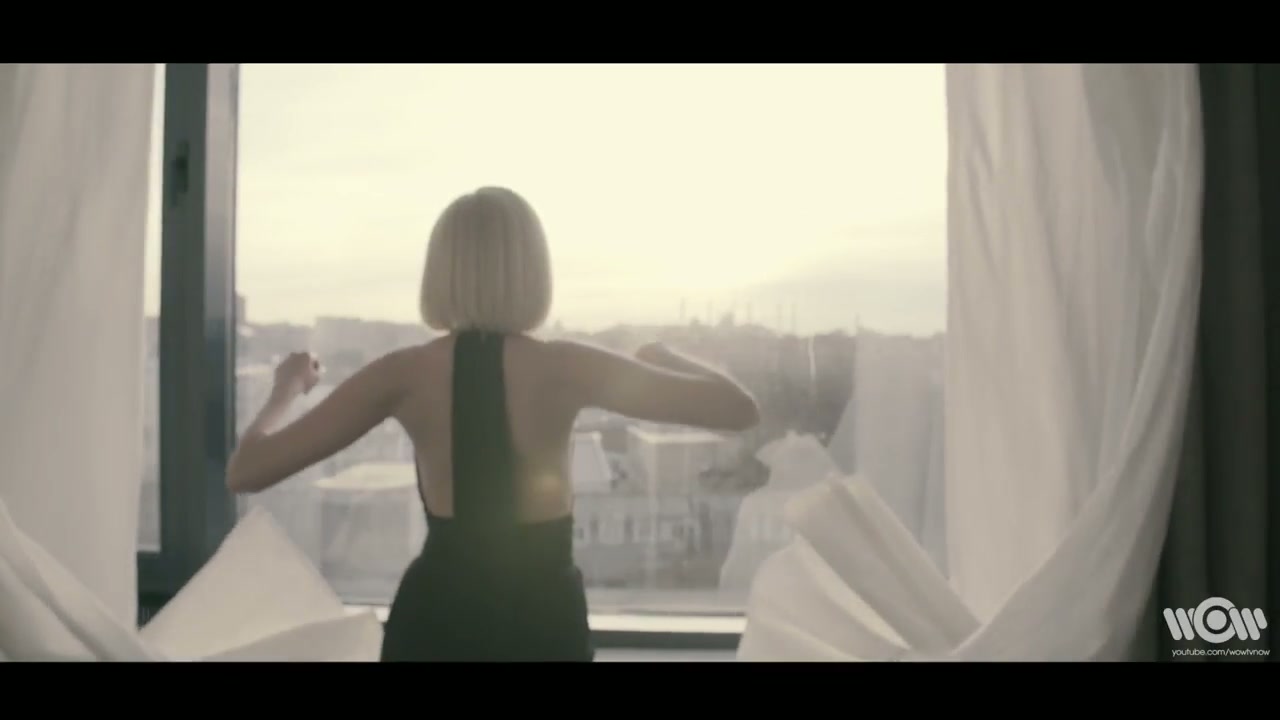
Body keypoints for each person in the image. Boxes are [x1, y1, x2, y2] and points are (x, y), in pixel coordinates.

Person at [225, 186, 761, 661]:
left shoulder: (403, 373)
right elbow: (739, 409)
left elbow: (246, 470)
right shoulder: (566, 366)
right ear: (533, 272)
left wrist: (287, 388)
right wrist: (662, 354)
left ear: (440, 273)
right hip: (543, 624)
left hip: (436, 622)